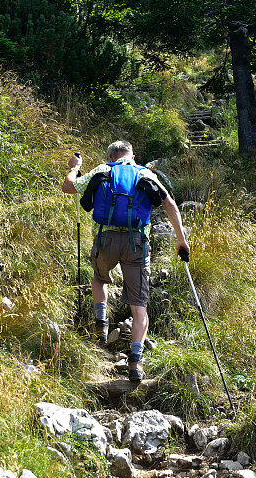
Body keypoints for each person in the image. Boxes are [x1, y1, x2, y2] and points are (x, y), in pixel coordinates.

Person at [62, 141, 190, 381]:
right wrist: (181, 240)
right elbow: (170, 204)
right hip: (137, 244)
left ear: (110, 156)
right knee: (139, 304)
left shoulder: (102, 171)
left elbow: (68, 187)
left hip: (105, 239)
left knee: (100, 279)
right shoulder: (145, 173)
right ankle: (135, 362)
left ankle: (101, 326)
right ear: (132, 156)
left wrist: (74, 167)